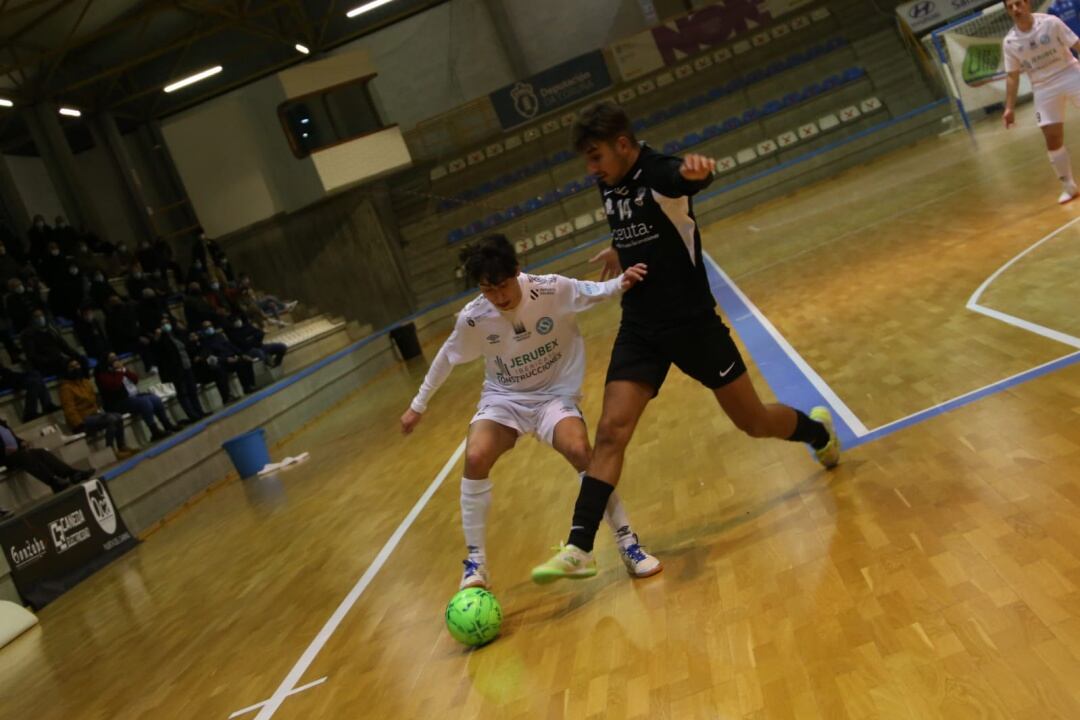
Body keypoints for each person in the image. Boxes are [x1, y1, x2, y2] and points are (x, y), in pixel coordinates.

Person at [531, 102, 839, 584]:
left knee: (754, 421)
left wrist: (698, 173)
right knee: (612, 431)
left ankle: (817, 433)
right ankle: (580, 546)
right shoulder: (608, 182)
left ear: (624, 145)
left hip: (693, 325)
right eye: (587, 160)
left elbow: (683, 182)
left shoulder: (658, 171)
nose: (590, 169)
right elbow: (641, 222)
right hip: (640, 327)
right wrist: (623, 248)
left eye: (596, 157)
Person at [400, 234, 660, 590]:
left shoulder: (551, 289)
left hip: (553, 396)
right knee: (475, 457)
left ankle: (628, 542)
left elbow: (593, 291)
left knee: (583, 452)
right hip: (503, 399)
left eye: (503, 286)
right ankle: (475, 562)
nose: (498, 297)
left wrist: (622, 281)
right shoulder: (474, 318)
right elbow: (446, 357)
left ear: (517, 272)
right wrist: (418, 405)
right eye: (487, 290)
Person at [1003, 0, 1080, 203]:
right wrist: (1009, 107)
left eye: (1018, 4)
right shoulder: (1010, 42)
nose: (1015, 9)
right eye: (1010, 7)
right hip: (1043, 87)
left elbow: (1077, 45)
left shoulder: (1050, 22)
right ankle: (1069, 186)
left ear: (1027, 3)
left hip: (1070, 73)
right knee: (1052, 138)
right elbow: (1012, 76)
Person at [58, 359, 134, 459]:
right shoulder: (66, 388)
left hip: (94, 414)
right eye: (72, 367)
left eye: (77, 365)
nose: (76, 368)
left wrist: (99, 411)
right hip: (83, 419)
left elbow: (94, 400)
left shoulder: (86, 382)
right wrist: (79, 425)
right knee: (111, 419)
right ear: (67, 371)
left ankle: (122, 446)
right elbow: (69, 409)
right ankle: (110, 451)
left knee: (118, 416)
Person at [95, 352, 178, 439]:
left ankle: (167, 424)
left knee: (155, 399)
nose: (115, 359)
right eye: (112, 358)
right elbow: (115, 385)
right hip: (118, 402)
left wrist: (125, 371)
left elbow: (135, 380)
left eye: (115, 357)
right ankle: (154, 431)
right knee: (144, 403)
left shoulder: (120, 368)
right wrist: (119, 372)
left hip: (133, 395)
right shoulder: (102, 373)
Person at [0, 418, 95, 493]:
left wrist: (21, 442)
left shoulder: (2, 423)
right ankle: (53, 481)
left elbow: (14, 438)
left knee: (41, 453)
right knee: (23, 457)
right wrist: (5, 451)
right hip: (4, 457)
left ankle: (72, 474)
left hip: (16, 452)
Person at [153, 318, 206, 421]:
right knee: (183, 393)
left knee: (192, 390)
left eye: (167, 323)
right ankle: (192, 415)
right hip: (176, 370)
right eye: (163, 324)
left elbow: (187, 344)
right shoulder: (161, 339)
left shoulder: (177, 334)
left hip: (187, 365)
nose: (166, 325)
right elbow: (158, 353)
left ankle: (199, 411)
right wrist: (157, 338)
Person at [19, 308, 83, 378]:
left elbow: (65, 347)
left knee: (81, 361)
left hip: (58, 360)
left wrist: (77, 356)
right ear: (32, 319)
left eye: (41, 315)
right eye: (37, 317)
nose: (40, 318)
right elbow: (33, 356)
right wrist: (50, 360)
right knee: (72, 367)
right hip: (45, 365)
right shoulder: (28, 335)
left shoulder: (51, 331)